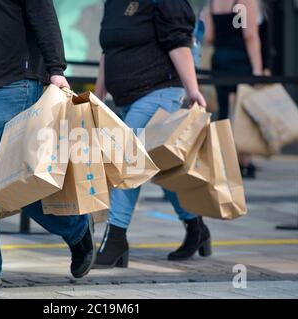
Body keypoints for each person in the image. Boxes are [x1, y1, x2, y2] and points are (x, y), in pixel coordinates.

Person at [0, 0, 96, 291]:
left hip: (10, 84)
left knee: (19, 182)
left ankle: (76, 229)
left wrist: (56, 68)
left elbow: (43, 14)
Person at [93, 0, 210, 269]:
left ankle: (116, 239)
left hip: (159, 91)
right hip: (125, 98)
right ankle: (195, 226)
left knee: (128, 161)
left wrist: (192, 90)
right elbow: (107, 51)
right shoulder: (113, 3)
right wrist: (97, 97)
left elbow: (179, 42)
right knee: (160, 170)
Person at [203, 0, 264, 178]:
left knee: (223, 112)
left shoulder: (214, 4)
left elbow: (208, 36)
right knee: (243, 112)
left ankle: (223, 160)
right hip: (240, 61)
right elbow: (250, 35)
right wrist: (258, 69)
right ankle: (244, 162)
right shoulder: (244, 3)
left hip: (220, 60)